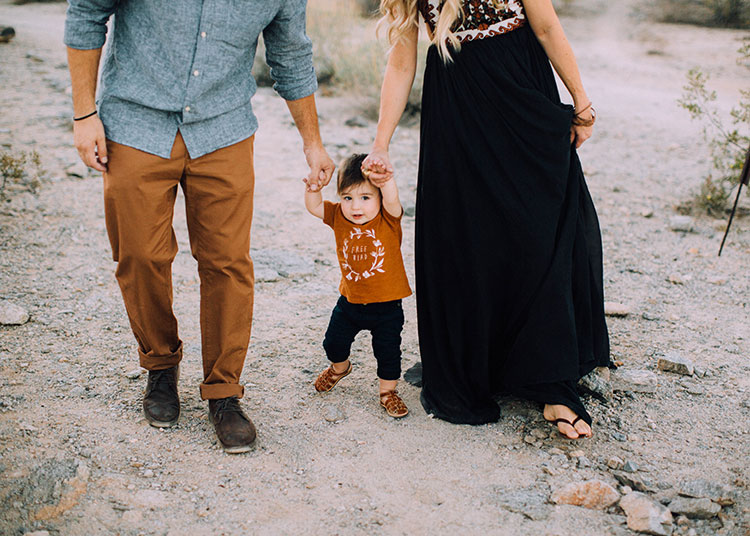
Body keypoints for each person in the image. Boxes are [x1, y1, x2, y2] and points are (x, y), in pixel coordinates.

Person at [64, 0, 335, 453]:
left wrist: (313, 144)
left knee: (228, 261)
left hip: (223, 128)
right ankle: (160, 364)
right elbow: (86, 13)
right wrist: (83, 112)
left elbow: (290, 54)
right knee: (140, 254)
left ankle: (224, 392)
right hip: (135, 121)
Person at [363, 0, 610, 439]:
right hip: (456, 110)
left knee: (538, 228)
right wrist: (380, 143)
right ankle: (488, 361)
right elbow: (402, 63)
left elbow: (547, 27)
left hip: (521, 91)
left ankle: (552, 380)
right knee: (471, 235)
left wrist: (581, 102)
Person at [304, 154, 412, 418]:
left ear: (378, 198)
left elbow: (392, 197)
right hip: (350, 302)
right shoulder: (338, 217)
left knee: (388, 354)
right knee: (333, 343)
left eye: (365, 197)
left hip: (387, 306)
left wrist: (384, 179)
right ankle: (340, 368)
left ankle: (388, 392)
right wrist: (313, 189)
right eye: (347, 197)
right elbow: (314, 207)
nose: (355, 207)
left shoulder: (388, 217)